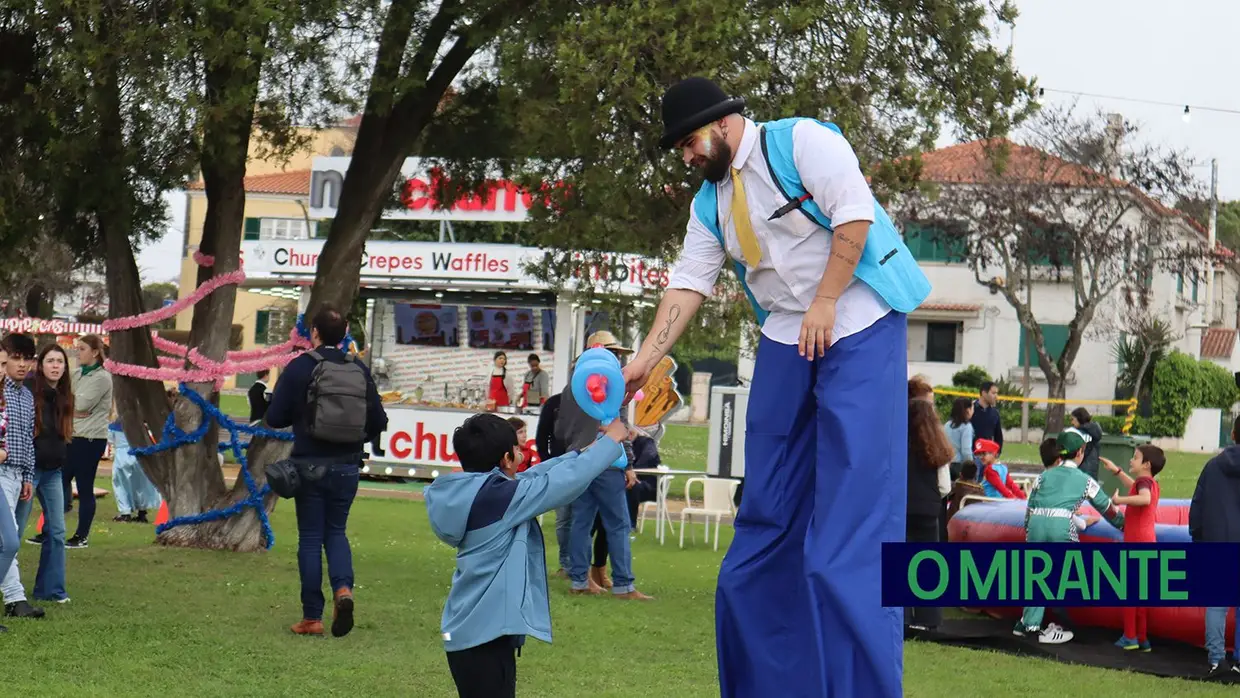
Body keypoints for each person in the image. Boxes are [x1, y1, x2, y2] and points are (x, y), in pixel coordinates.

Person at [623, 77, 930, 697]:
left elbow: (855, 215)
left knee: (845, 543)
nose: (685, 156)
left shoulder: (803, 142)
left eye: (688, 143)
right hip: (787, 336)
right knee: (759, 536)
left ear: (724, 123)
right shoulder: (709, 202)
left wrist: (825, 300)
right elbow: (689, 283)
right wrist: (643, 359)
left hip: (859, 320)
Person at [426, 413, 628, 698]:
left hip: (471, 631)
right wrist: (611, 442)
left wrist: (592, 448)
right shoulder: (501, 498)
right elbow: (562, 482)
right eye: (518, 450)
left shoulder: (478, 491)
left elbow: (540, 474)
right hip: (484, 639)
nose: (522, 456)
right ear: (507, 459)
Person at [266, 303, 389, 638]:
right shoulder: (358, 369)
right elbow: (379, 421)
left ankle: (312, 617)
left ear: (313, 332)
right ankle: (344, 590)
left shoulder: (300, 367)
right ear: (346, 330)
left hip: (309, 466)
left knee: (310, 538)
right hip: (348, 466)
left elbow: (274, 418)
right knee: (336, 533)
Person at [557, 331, 649, 600]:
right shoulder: (613, 387)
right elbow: (620, 429)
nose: (618, 358)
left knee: (581, 522)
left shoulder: (571, 389)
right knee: (618, 525)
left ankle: (578, 580)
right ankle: (623, 585)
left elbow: (563, 430)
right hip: (608, 462)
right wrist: (629, 464)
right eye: (615, 353)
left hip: (580, 461)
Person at [1015, 429, 1124, 644]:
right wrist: (1126, 525)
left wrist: (1030, 530)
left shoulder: (1043, 476)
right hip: (1060, 527)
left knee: (1036, 573)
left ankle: (1028, 624)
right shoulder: (1085, 480)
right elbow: (1107, 508)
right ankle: (1060, 622)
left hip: (1036, 525)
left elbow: (1030, 507)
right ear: (1080, 452)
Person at [12, 343, 73, 604]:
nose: (56, 366)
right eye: (50, 361)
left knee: (57, 532)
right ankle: (9, 589)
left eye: (60, 361)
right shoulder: (27, 392)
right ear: (41, 365)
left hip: (53, 472)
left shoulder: (64, 395)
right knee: (13, 532)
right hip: (29, 470)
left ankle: (51, 589)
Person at [1188, 415, 1240, 678]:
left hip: (1217, 542)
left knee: (1217, 605)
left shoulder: (1212, 466)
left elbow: (1197, 506)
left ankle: (1216, 660)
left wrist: (1198, 539)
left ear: (1232, 435)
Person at [1103, 445, 1165, 652]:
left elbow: (1143, 498)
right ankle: (1142, 637)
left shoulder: (1144, 484)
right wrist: (1118, 472)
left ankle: (1129, 636)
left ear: (1146, 464)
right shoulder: (1150, 482)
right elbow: (1138, 488)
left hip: (1136, 540)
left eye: (1135, 457)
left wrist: (1119, 501)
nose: (1131, 460)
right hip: (1148, 540)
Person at [0, 334, 43, 619]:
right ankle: (15, 598)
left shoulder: (27, 395)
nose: (22, 364)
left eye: (27, 359)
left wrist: (28, 475)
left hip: (18, 473)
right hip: (1, 472)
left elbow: (28, 439)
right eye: (16, 357)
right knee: (9, 538)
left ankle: (15, 600)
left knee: (10, 538)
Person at [905, 399, 955, 632]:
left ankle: (903, 617)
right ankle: (929, 618)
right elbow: (945, 487)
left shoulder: (898, 446)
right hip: (929, 510)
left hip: (903, 509)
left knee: (901, 562)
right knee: (927, 563)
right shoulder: (937, 448)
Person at [63, 334, 113, 549]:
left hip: (90, 439)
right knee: (57, 482)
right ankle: (51, 530)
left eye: (82, 349)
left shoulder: (102, 378)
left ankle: (81, 536)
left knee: (84, 487)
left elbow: (82, 404)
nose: (78, 353)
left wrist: (69, 406)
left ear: (94, 352)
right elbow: (62, 397)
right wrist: (70, 407)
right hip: (72, 435)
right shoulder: (75, 374)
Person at [534, 392, 571, 578]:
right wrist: (549, 462)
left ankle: (582, 564)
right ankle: (566, 564)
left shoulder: (593, 403)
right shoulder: (555, 403)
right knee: (564, 517)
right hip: (560, 467)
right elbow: (542, 436)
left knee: (584, 519)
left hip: (587, 464)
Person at [109, 410, 162, 524]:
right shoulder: (141, 426)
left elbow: (110, 440)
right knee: (140, 485)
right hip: (138, 455)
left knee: (121, 484)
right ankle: (142, 512)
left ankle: (125, 512)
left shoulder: (114, 425)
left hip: (122, 455)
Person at [971, 381, 1003, 464]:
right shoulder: (970, 410)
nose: (996, 396)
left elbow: (998, 435)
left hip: (988, 457)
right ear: (984, 393)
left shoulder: (994, 413)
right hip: (972, 455)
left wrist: (997, 453)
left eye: (996, 393)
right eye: (993, 393)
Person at [945, 398, 975, 479]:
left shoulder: (947, 424)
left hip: (947, 464)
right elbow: (966, 450)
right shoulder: (966, 426)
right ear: (968, 410)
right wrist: (971, 467)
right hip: (959, 465)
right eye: (972, 408)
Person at [1070, 407, 1104, 479]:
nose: (1072, 422)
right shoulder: (1093, 432)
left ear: (1079, 418)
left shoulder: (1082, 433)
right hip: (1091, 473)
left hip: (1081, 473)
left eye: (1073, 419)